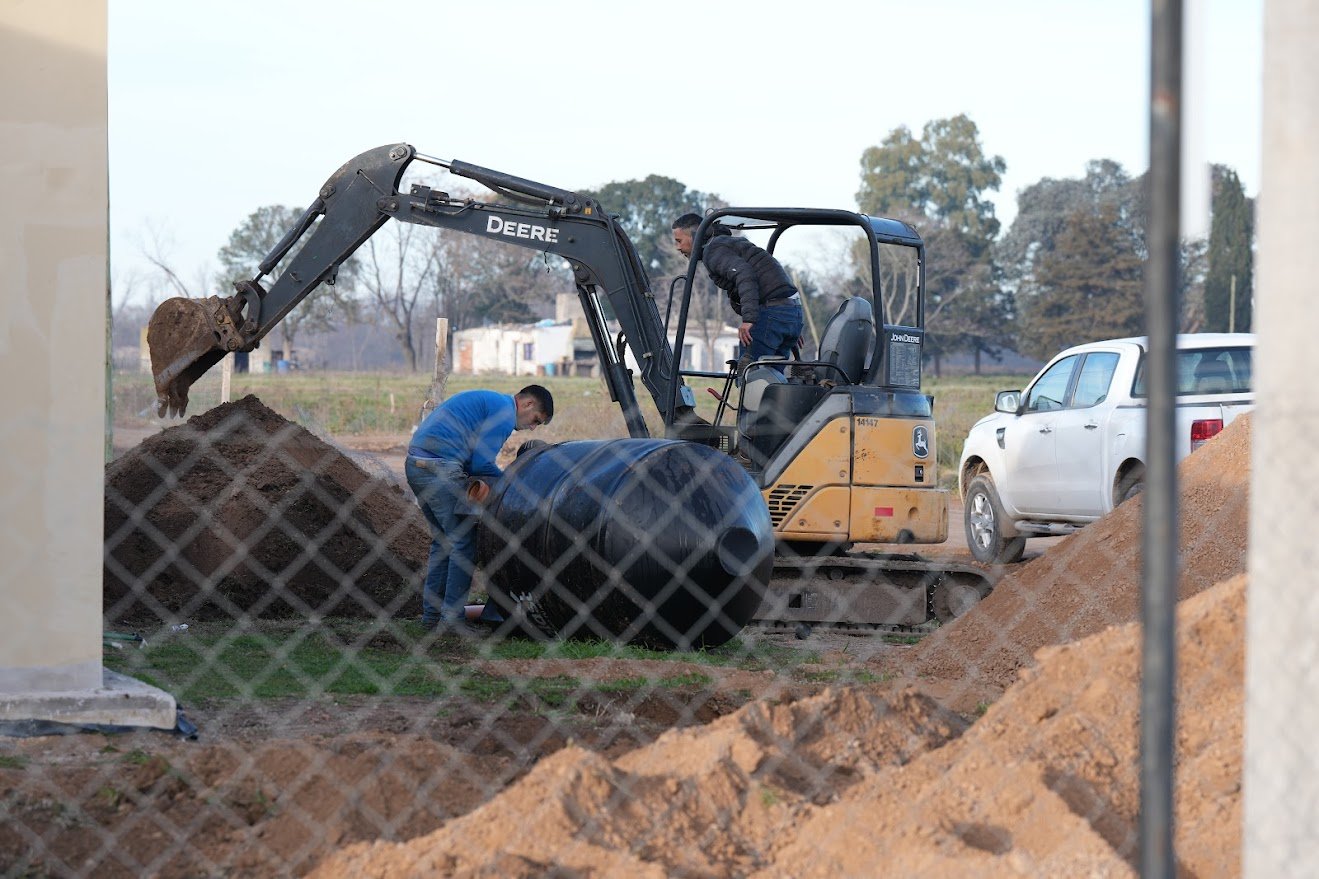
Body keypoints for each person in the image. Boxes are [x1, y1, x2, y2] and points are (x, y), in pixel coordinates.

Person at [405, 385, 554, 634]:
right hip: (440, 467)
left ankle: (432, 617)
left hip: (417, 466)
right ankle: (452, 621)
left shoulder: (491, 401)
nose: (532, 428)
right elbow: (482, 463)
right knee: (464, 542)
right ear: (527, 404)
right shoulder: (505, 413)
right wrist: (515, 484)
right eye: (535, 420)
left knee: (443, 543)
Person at [672, 213, 804, 370]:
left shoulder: (713, 251)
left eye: (679, 241)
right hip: (790, 312)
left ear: (695, 236)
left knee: (750, 374)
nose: (678, 247)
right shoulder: (728, 245)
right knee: (773, 376)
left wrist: (749, 320)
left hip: (771, 312)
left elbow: (744, 274)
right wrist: (789, 326)